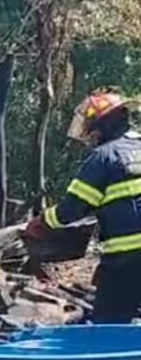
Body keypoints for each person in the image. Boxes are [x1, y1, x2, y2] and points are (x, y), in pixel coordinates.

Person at [25, 89, 141, 323]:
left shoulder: (103, 158)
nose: (91, 135)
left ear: (105, 126)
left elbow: (72, 210)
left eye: (93, 127)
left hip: (127, 260)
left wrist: (42, 222)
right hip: (128, 259)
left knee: (110, 324)